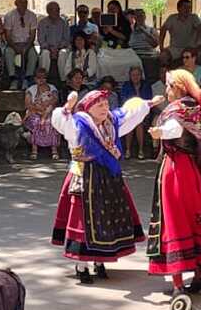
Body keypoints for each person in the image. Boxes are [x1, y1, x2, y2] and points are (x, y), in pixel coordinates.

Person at [50, 86, 154, 284]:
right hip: (85, 177)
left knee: (106, 218)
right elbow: (61, 121)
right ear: (88, 108)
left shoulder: (111, 122)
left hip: (108, 178)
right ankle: (81, 265)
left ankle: (99, 260)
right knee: (83, 219)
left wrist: (147, 104)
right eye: (99, 105)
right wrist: (67, 107)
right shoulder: (78, 123)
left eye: (106, 104)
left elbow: (129, 113)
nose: (104, 108)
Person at [146, 70, 201, 293]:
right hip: (198, 170)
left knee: (175, 220)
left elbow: (173, 130)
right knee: (196, 216)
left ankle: (178, 284)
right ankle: (200, 273)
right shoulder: (198, 108)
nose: (167, 91)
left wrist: (158, 132)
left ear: (178, 87)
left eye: (169, 86)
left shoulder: (178, 109)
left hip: (177, 169)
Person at [20, 68, 61, 161]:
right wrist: (38, 109)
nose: (41, 80)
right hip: (34, 112)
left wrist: (45, 108)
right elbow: (28, 104)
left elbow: (54, 100)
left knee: (50, 122)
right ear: (35, 79)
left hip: (49, 112)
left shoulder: (52, 88)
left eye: (44, 77)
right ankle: (34, 150)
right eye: (39, 77)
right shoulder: (31, 89)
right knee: (37, 122)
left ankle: (54, 150)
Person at [3, 0, 38, 89]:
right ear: (15, 3)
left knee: (33, 55)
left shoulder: (32, 16)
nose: (23, 4)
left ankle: (27, 78)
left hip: (27, 43)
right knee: (8, 53)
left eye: (25, 2)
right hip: (13, 44)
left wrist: (26, 47)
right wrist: (15, 47)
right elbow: (8, 35)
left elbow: (32, 35)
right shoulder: (9, 16)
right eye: (21, 2)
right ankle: (13, 79)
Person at [118, 65, 155, 158]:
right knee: (130, 121)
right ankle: (127, 150)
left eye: (137, 75)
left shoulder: (146, 85)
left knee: (138, 123)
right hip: (129, 112)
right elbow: (124, 101)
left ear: (141, 75)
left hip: (143, 113)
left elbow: (148, 100)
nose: (135, 77)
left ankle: (141, 150)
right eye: (133, 75)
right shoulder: (126, 86)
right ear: (130, 76)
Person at [159, 0, 201, 67]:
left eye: (189, 7)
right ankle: (165, 75)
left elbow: (200, 30)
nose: (188, 10)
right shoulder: (172, 18)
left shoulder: (194, 18)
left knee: (197, 57)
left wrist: (196, 44)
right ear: (178, 8)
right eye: (185, 7)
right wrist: (161, 46)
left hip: (190, 48)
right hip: (174, 48)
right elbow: (163, 30)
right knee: (163, 56)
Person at [36, 1, 71, 81]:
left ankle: (64, 80)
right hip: (47, 48)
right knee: (45, 53)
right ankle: (44, 79)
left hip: (61, 48)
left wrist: (57, 48)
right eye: (53, 10)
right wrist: (50, 48)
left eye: (57, 9)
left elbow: (66, 39)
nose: (56, 12)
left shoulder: (64, 23)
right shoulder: (42, 23)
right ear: (48, 11)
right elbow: (41, 40)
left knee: (63, 53)